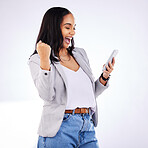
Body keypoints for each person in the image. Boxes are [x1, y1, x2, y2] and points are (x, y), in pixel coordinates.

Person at [28, 7, 115, 148]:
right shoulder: (37, 59)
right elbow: (46, 95)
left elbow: (89, 94)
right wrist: (45, 60)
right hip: (59, 129)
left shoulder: (80, 54)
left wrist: (104, 76)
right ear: (53, 28)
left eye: (74, 28)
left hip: (87, 127)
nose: (73, 32)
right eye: (67, 27)